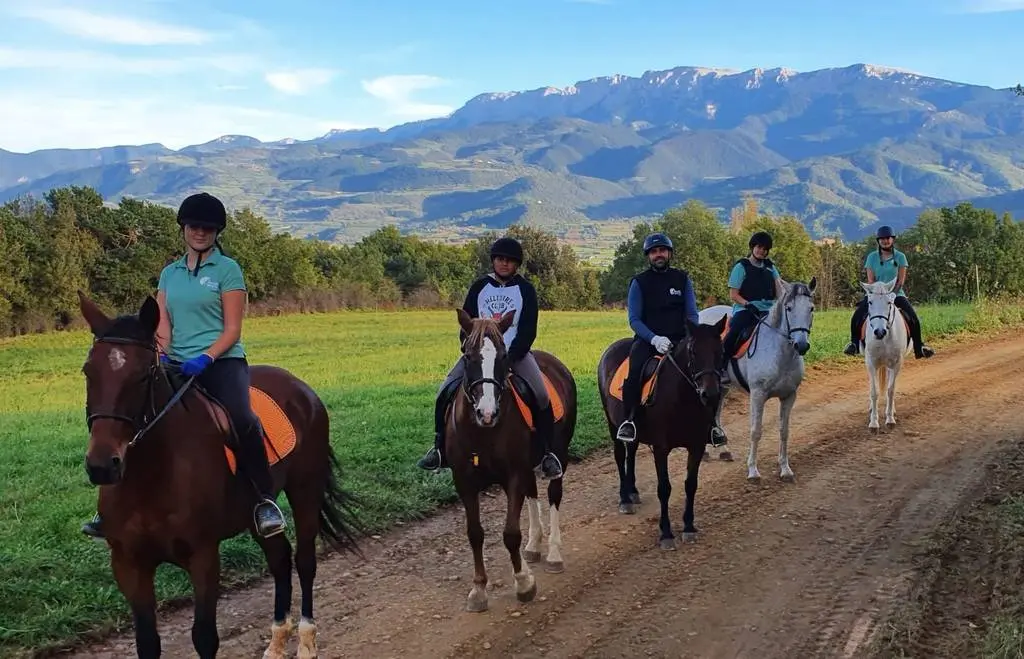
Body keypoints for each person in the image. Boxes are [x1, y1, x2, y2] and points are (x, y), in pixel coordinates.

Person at [82, 192, 287, 540]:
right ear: (184, 228)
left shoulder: (228, 270)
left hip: (222, 362)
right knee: (130, 415)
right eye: (194, 226)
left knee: (243, 419)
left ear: (216, 232)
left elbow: (233, 328)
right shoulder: (169, 274)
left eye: (208, 228)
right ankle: (112, 508)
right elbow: (162, 323)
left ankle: (264, 501)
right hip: (175, 362)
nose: (200, 232)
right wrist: (162, 354)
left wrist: (207, 357)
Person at [415, 236, 563, 480]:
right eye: (500, 259)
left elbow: (528, 329)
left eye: (510, 261)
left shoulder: (526, 290)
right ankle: (439, 448)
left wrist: (510, 356)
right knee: (444, 390)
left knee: (541, 394)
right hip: (479, 355)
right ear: (493, 261)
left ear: (517, 264)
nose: (504, 264)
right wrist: (469, 349)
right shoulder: (479, 287)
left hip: (514, 355)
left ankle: (547, 453)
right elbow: (466, 324)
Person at [615, 232, 725, 444]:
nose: (659, 255)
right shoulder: (639, 282)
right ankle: (630, 420)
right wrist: (654, 339)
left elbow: (692, 313)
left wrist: (689, 336)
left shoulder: (682, 279)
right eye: (654, 252)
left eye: (662, 251)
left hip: (681, 339)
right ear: (649, 256)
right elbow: (634, 320)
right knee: (634, 373)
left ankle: (711, 425)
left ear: (669, 253)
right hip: (648, 341)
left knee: (710, 371)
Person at [843, 225, 935, 359]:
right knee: (857, 316)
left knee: (913, 317)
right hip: (876, 294)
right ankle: (854, 344)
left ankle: (919, 346)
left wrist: (892, 294)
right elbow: (871, 280)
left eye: (888, 238)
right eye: (882, 239)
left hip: (896, 294)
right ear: (878, 241)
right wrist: (877, 294)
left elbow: (901, 281)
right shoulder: (872, 258)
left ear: (892, 239)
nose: (885, 241)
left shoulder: (901, 257)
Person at [721, 231, 787, 362]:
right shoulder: (741, 267)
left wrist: (783, 303)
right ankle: (723, 363)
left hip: (768, 310)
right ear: (752, 247)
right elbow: (733, 295)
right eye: (759, 247)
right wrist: (747, 304)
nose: (761, 251)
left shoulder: (770, 267)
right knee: (735, 331)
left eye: (765, 249)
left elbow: (779, 289)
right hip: (746, 309)